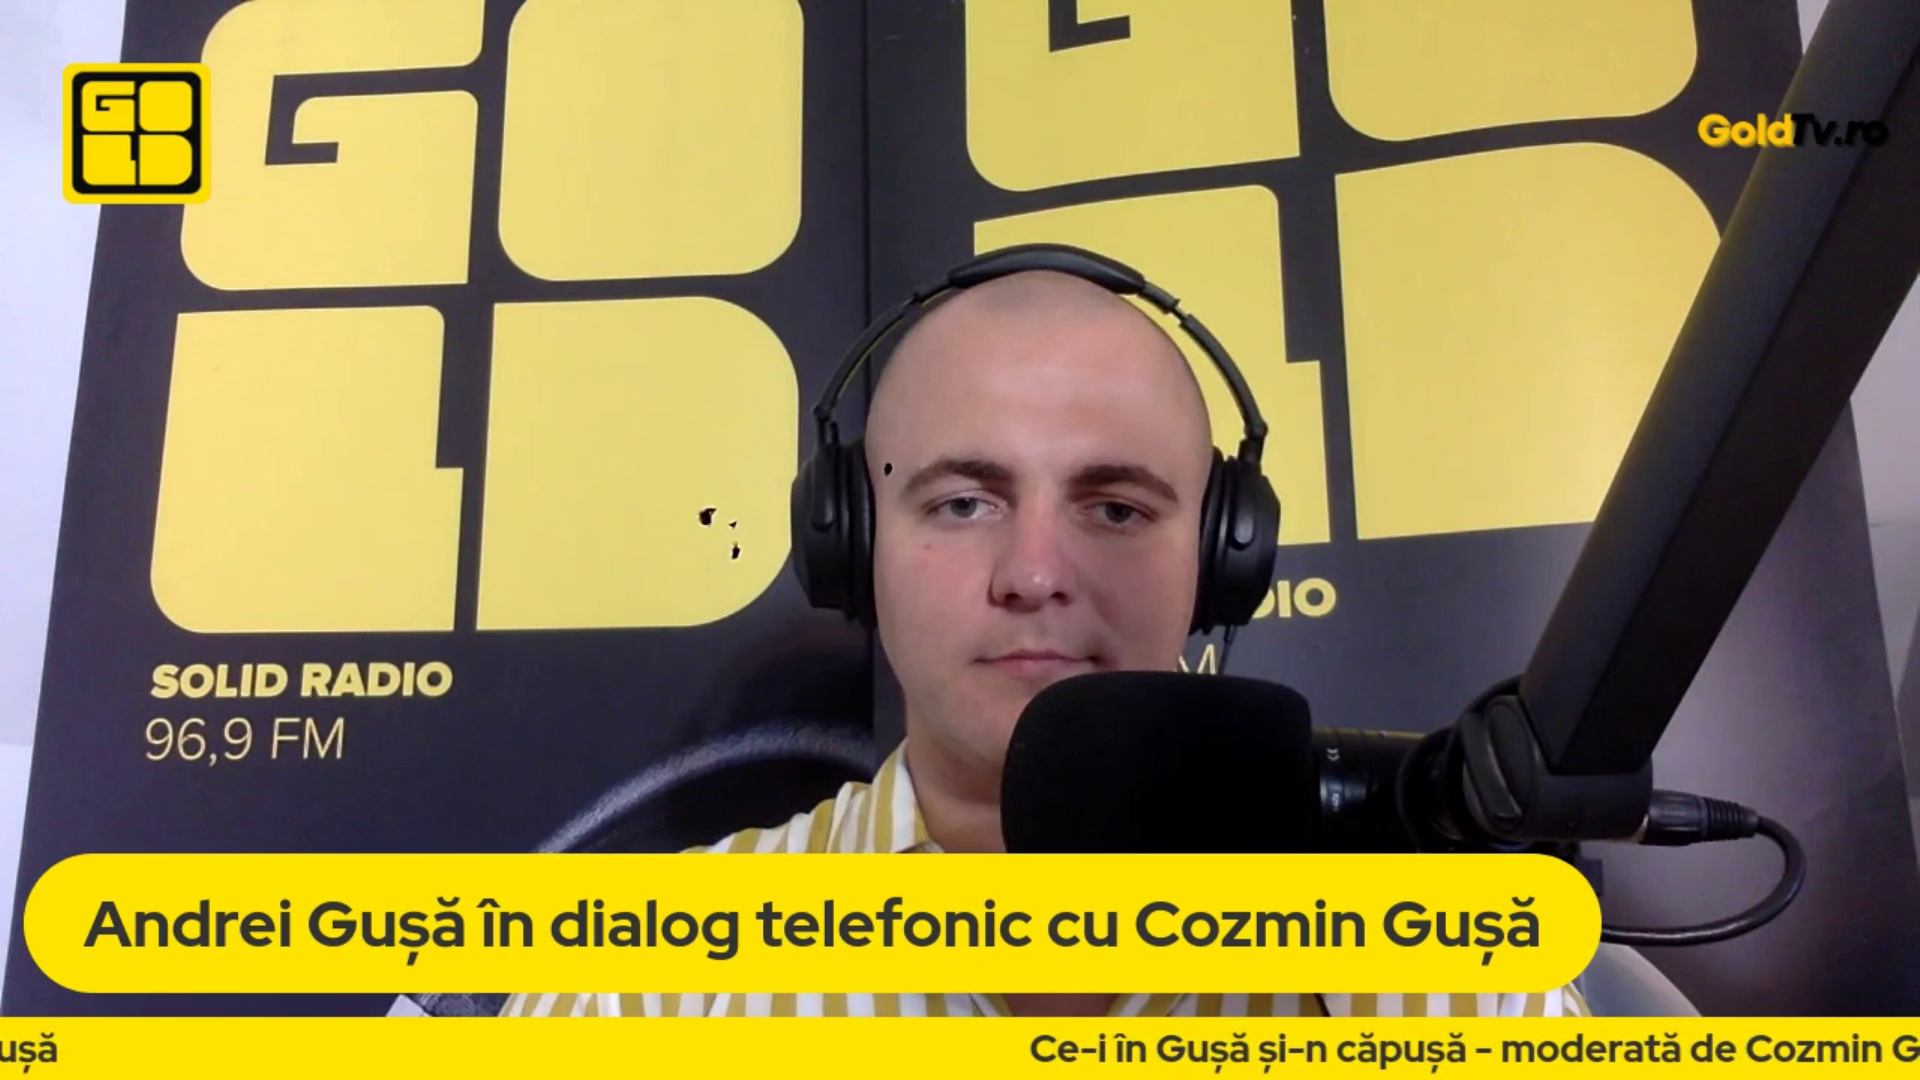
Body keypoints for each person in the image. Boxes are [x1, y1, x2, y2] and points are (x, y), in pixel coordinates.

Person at [500, 268, 1590, 1018]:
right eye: (964, 503)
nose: (1032, 574)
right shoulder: (640, 980)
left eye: (1115, 508)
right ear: (855, 544)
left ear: (1222, 559)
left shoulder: (1447, 975)